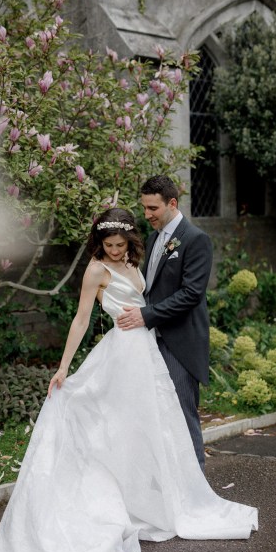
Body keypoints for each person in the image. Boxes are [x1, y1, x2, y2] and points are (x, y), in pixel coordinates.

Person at [0, 208, 258, 552]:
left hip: (146, 352)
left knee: (149, 428)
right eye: (108, 245)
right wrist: (63, 366)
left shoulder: (132, 261)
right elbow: (81, 319)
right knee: (112, 427)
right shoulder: (96, 269)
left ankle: (149, 501)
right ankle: (111, 502)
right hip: (121, 353)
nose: (114, 250)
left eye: (120, 244)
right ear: (100, 243)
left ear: (130, 242)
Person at [117, 175, 212, 471]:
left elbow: (191, 294)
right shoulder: (154, 237)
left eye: (153, 208)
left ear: (172, 203)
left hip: (180, 343)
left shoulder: (197, 239)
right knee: (156, 415)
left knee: (183, 414)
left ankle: (197, 488)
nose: (147, 215)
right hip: (152, 340)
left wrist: (146, 315)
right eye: (144, 208)